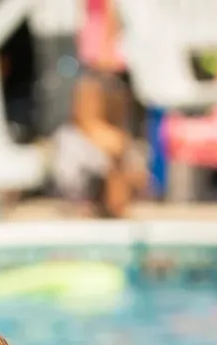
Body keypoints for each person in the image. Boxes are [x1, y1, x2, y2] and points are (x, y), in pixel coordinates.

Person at [52, 0, 148, 217]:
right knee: (116, 148)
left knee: (120, 148)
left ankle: (114, 198)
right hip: (99, 62)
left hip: (102, 61)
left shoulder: (107, 83)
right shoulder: (93, 83)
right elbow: (88, 123)